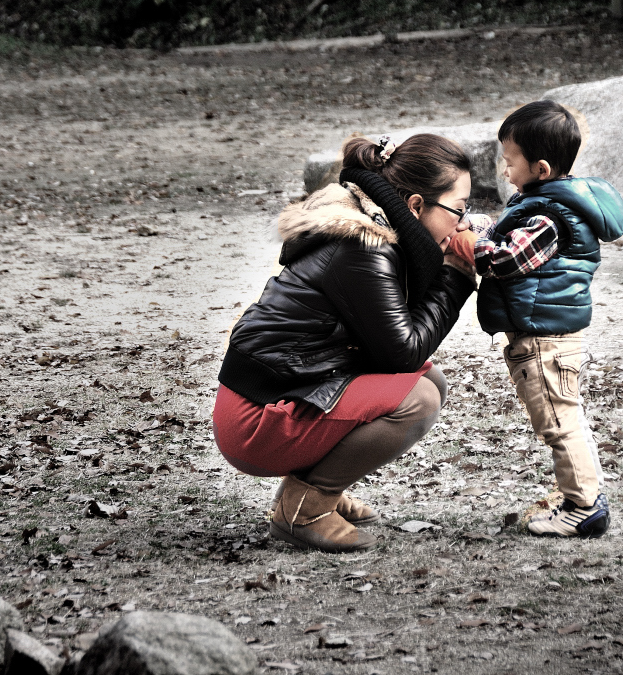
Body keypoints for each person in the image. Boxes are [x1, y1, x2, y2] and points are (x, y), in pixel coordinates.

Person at [212, 133, 476, 553]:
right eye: (459, 210)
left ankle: (306, 492)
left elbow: (396, 353)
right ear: (415, 206)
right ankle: (305, 510)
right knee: (420, 398)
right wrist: (457, 275)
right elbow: (404, 351)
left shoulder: (380, 233)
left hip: (283, 394)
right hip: (255, 418)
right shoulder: (364, 248)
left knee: (430, 381)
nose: (465, 224)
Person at [473, 100, 623, 538]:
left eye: (508, 160)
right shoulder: (546, 201)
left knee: (558, 422)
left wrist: (470, 238)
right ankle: (582, 491)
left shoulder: (547, 215)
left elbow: (503, 261)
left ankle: (584, 508)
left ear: (539, 168)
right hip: (548, 335)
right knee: (564, 417)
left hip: (544, 338)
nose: (504, 170)